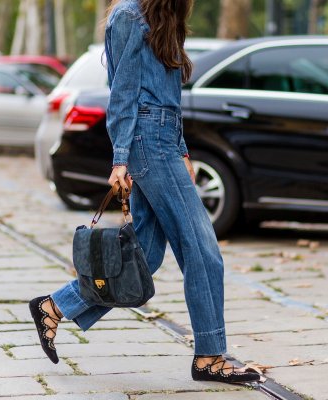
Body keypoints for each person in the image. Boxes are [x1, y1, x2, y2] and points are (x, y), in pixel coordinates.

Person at [28, 0, 260, 384]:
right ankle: (210, 357)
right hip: (147, 141)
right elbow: (121, 92)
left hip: (164, 140)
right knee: (203, 253)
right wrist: (120, 158)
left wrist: (183, 148)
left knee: (145, 258)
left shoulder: (165, 16)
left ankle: (54, 306)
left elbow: (170, 96)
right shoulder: (128, 17)